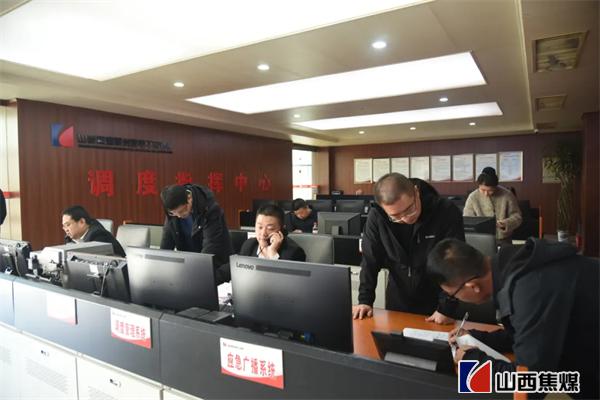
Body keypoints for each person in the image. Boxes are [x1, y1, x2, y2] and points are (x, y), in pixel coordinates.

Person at [427, 238, 599, 400]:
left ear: (473, 286)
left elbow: (531, 385)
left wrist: (474, 362)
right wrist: (478, 338)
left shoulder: (529, 291)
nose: (456, 300)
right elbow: (530, 333)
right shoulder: (514, 264)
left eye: (453, 295)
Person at [353, 173, 465, 324]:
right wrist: (364, 300)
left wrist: (446, 307)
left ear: (416, 192)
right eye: (396, 216)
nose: (406, 219)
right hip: (398, 299)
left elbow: (455, 262)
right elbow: (370, 260)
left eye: (409, 209)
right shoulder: (377, 217)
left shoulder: (445, 211)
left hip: (437, 301)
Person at [160, 184, 233, 270]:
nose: (179, 216)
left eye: (182, 211)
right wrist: (161, 266)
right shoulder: (173, 211)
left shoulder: (210, 208)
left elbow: (210, 247)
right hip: (189, 263)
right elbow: (166, 241)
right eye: (174, 213)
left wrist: (196, 270)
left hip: (216, 265)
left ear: (189, 198)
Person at [463, 167, 522, 244]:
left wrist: (505, 223)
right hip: (480, 239)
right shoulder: (473, 197)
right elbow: (467, 219)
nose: (486, 194)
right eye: (483, 190)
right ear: (479, 185)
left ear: (496, 186)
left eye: (490, 191)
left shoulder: (507, 195)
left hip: (504, 238)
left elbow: (517, 216)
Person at [241, 204, 306, 261]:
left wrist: (273, 253)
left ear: (281, 229)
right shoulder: (249, 245)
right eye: (260, 227)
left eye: (270, 229)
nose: (263, 233)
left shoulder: (294, 252)